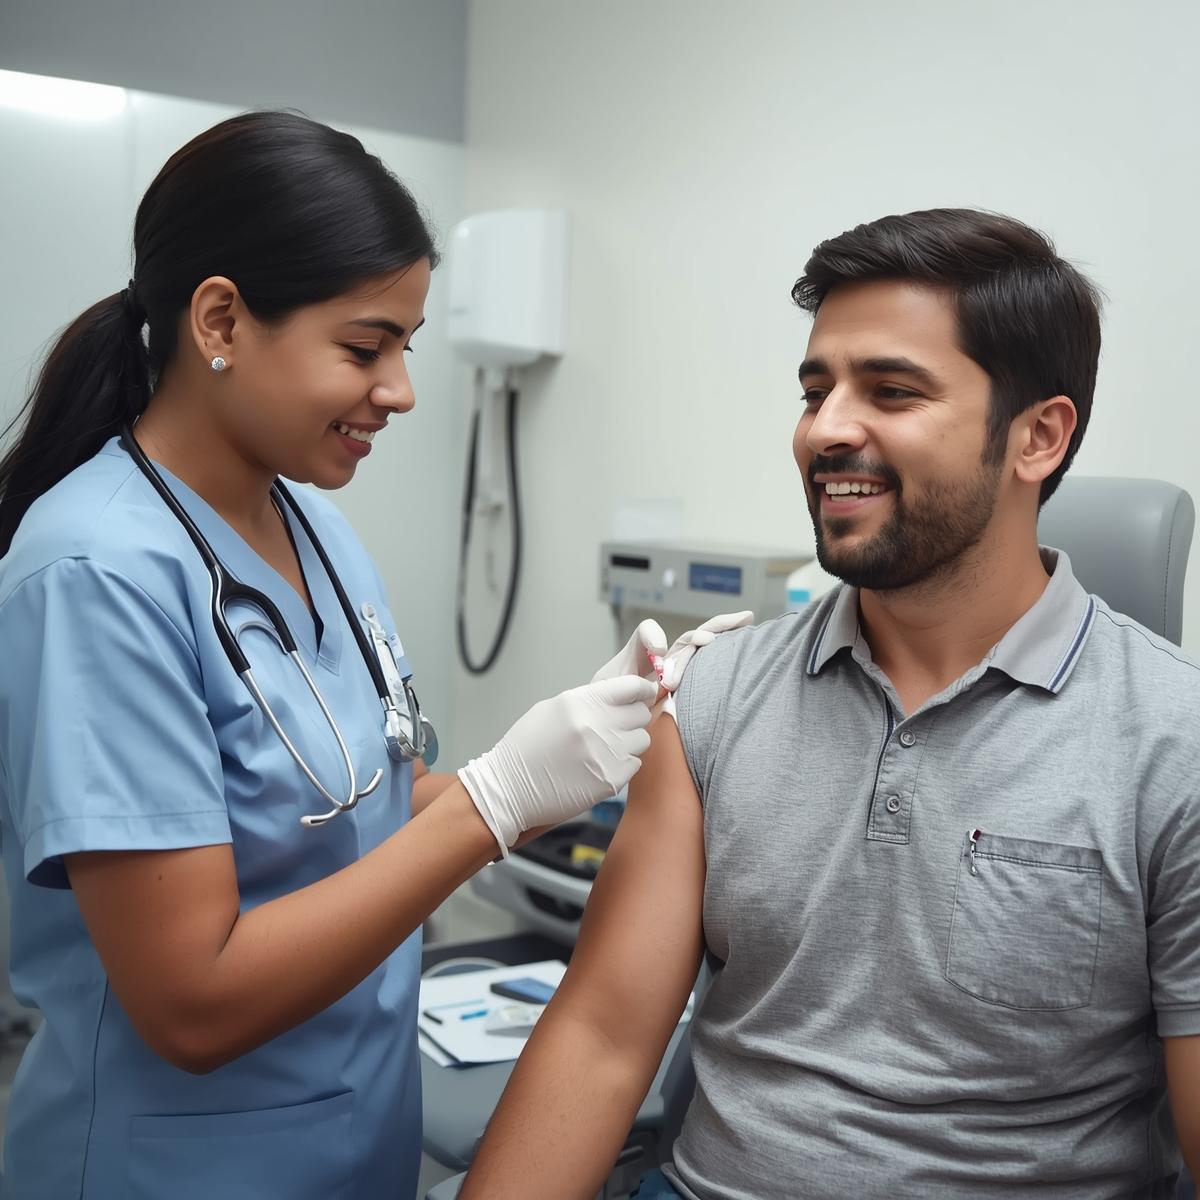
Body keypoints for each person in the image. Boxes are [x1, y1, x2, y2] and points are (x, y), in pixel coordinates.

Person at [0, 111, 748, 1200]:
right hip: (171, 1168)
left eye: (406, 345)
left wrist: (566, 763)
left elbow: (349, 813)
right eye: (364, 347)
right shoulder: (97, 574)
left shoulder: (316, 530)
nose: (398, 389)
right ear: (221, 318)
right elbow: (191, 1001)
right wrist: (489, 803)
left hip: (354, 1146)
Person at [459, 208, 1200, 1199]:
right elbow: (601, 1035)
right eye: (817, 390)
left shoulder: (1171, 742)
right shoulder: (711, 698)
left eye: (890, 390)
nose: (827, 429)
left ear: (1037, 437)